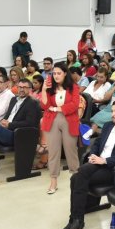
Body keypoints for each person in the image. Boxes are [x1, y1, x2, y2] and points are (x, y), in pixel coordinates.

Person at [59, 101, 115, 229]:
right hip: (98, 162)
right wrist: (93, 154)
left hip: (114, 169)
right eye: (112, 111)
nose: (113, 114)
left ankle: (75, 220)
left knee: (77, 177)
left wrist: (105, 160)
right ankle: (77, 219)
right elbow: (97, 143)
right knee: (77, 177)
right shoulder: (109, 126)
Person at [41, 62, 81, 194]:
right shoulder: (50, 87)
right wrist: (43, 89)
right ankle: (53, 181)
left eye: (59, 73)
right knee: (53, 152)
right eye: (54, 73)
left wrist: (58, 108)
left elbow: (74, 105)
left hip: (69, 120)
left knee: (71, 151)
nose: (56, 76)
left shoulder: (73, 87)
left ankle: (76, 178)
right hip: (52, 119)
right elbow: (44, 105)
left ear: (65, 74)